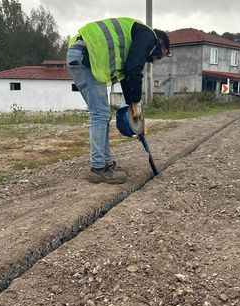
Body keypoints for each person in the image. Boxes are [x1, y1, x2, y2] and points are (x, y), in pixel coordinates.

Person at [66, 17, 170, 184]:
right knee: (100, 113)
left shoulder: (134, 40)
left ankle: (106, 164)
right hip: (86, 55)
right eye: (160, 56)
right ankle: (98, 168)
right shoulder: (148, 36)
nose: (154, 60)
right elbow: (134, 70)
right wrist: (136, 105)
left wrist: (132, 107)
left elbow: (126, 75)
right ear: (161, 44)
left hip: (84, 54)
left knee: (103, 114)